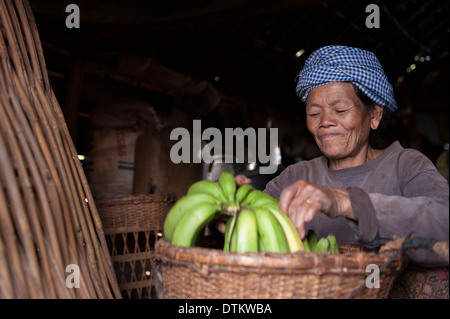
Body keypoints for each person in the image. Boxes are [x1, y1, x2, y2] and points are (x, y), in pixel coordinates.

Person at [236, 45, 449, 298]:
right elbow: (256, 235)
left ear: (375, 115)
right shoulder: (295, 177)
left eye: (340, 110)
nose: (325, 121)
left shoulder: (406, 165)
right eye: (314, 113)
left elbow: (443, 221)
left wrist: (343, 201)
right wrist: (233, 217)